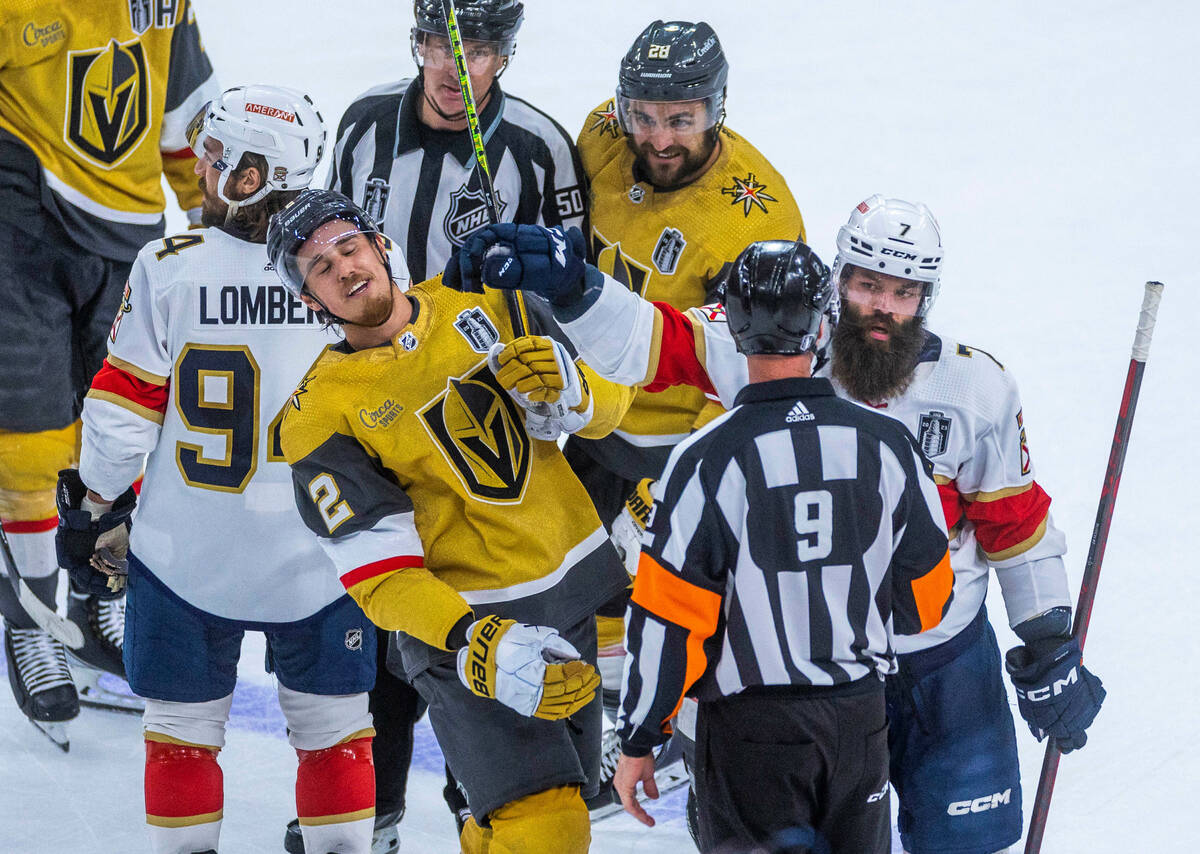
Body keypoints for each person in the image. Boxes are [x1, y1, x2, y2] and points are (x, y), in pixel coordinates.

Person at [453, 197, 1107, 854]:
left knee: (967, 844)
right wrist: (577, 288)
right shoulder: (784, 345)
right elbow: (655, 341)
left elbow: (1013, 523)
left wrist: (1048, 639)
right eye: (867, 283)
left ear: (926, 296)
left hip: (945, 661)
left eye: (903, 292)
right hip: (813, 675)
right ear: (837, 280)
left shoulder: (977, 387)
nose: (883, 306)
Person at [55, 86, 382, 854]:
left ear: (252, 175)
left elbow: (119, 417)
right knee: (335, 735)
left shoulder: (171, 266)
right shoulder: (361, 263)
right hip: (327, 555)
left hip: (187, 555)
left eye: (216, 156)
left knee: (181, 736)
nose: (202, 167)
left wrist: (101, 506)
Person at [267, 189, 631, 854]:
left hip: (569, 592)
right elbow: (379, 577)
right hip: (469, 632)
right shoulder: (318, 417)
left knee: (555, 811)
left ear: (380, 244)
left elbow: (617, 409)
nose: (344, 268)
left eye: (348, 247)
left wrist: (573, 392)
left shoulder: (487, 298)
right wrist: (470, 638)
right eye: (320, 268)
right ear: (311, 301)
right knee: (548, 830)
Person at [305, 3, 587, 843]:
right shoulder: (363, 125)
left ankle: (484, 807)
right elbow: (323, 257)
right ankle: (380, 813)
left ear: (507, 53)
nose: (454, 66)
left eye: (481, 49)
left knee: (482, 605)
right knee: (389, 609)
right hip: (380, 412)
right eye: (439, 45)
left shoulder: (538, 146)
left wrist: (551, 386)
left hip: (482, 417)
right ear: (418, 45)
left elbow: (570, 285)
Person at [612, 238, 953, 853]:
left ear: (734, 328)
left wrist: (641, 738)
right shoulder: (888, 445)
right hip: (858, 720)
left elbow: (667, 618)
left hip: (752, 732)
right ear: (824, 323)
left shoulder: (706, 458)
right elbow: (928, 598)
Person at [567, 20, 809, 798]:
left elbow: (753, 362)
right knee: (576, 575)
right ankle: (609, 710)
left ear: (717, 110)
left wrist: (712, 465)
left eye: (682, 119)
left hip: (680, 435)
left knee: (673, 592)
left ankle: (669, 729)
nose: (659, 136)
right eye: (644, 114)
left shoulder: (757, 215)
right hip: (580, 408)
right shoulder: (601, 134)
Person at [0, 0, 220, 744]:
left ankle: (100, 599)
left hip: (126, 230)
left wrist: (217, 214)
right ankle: (31, 615)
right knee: (29, 439)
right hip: (17, 220)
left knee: (123, 428)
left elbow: (185, 106)